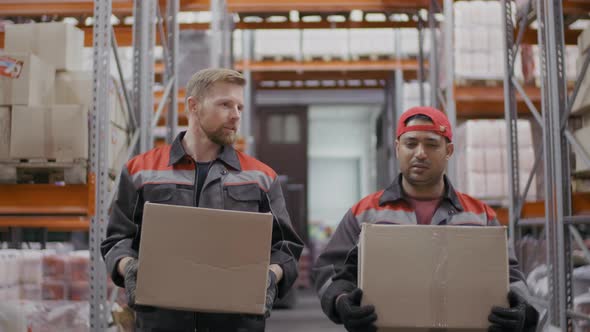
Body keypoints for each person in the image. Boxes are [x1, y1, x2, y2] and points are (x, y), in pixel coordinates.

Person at [101, 68, 304, 332]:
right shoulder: (141, 171)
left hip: (235, 324)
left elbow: (286, 248)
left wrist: (270, 276)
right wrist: (128, 266)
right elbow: (117, 240)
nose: (236, 115)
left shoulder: (260, 177)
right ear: (193, 106)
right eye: (225, 104)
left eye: (239, 106)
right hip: (162, 323)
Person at [312, 106, 539, 332]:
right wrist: (341, 302)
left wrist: (523, 311)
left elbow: (510, 276)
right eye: (411, 144)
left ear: (449, 151)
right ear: (398, 147)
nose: (420, 153)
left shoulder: (481, 215)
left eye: (431, 144)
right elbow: (329, 269)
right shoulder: (365, 213)